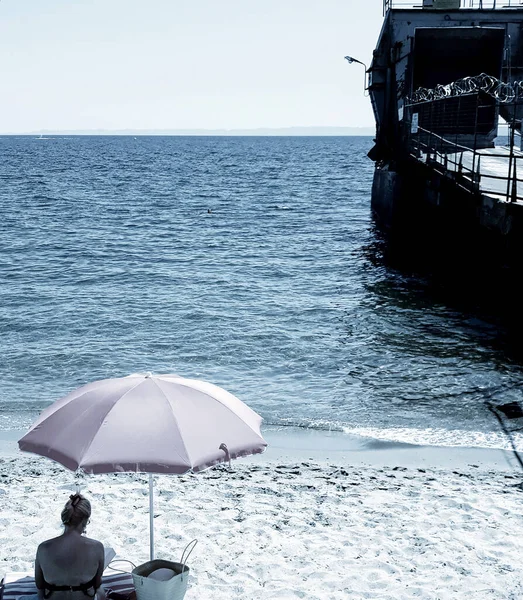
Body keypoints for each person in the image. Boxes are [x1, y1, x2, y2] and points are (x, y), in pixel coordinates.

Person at [35, 493, 106, 600]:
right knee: (101, 590)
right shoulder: (97, 547)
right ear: (85, 521)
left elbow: (39, 585)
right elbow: (97, 583)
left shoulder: (43, 548)